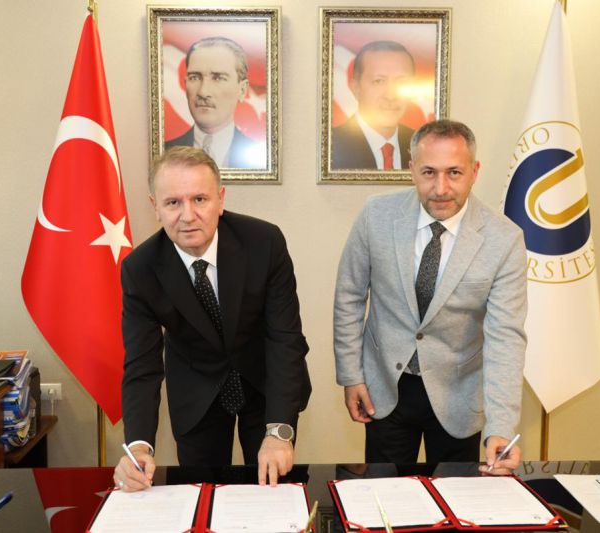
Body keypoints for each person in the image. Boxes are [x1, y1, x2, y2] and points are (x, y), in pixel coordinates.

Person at [333, 120, 527, 473]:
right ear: (411, 170)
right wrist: (352, 376)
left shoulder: (504, 239)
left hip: (459, 396)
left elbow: (505, 338)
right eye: (428, 172)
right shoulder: (376, 216)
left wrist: (500, 426)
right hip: (384, 389)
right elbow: (349, 298)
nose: (441, 188)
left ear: (474, 172)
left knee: (455, 497)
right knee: (385, 494)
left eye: (454, 172)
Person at [114, 146, 310, 490]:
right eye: (173, 202)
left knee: (273, 488)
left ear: (220, 199)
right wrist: (138, 447)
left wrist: (279, 431)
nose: (187, 216)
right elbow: (142, 365)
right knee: (201, 494)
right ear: (155, 207)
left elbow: (285, 339)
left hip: (265, 383)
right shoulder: (140, 269)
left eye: (199, 199)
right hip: (196, 390)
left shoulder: (264, 243)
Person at [165, 37, 264, 169]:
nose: (203, 92)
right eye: (194, 77)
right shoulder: (166, 155)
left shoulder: (261, 161)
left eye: (218, 78)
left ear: (242, 90)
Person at [331, 40, 416, 170]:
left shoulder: (421, 145)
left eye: (402, 82)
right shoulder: (331, 146)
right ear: (355, 88)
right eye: (379, 81)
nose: (391, 96)